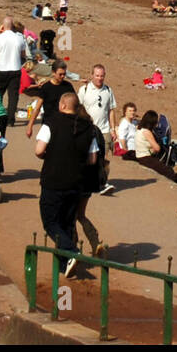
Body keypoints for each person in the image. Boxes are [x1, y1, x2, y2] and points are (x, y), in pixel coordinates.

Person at [35, 93, 100, 275]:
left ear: (63, 105)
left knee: (50, 222)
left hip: (53, 180)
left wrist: (53, 155)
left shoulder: (52, 122)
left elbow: (39, 150)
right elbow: (93, 159)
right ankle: (66, 265)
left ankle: (72, 252)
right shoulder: (89, 127)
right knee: (67, 223)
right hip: (76, 182)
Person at [74, 99, 107, 256]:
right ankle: (95, 242)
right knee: (81, 214)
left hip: (78, 177)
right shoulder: (95, 130)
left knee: (71, 214)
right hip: (92, 179)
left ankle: (71, 248)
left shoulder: (78, 130)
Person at [77, 64, 117, 195]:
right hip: (88, 129)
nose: (100, 78)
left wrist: (113, 128)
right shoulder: (84, 90)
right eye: (97, 75)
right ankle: (84, 181)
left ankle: (103, 183)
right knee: (87, 156)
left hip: (104, 129)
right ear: (92, 75)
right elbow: (78, 109)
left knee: (103, 158)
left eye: (102, 76)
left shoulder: (108, 91)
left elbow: (111, 110)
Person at [0, 16, 28, 133]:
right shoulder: (19, 38)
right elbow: (23, 54)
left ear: (3, 26)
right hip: (15, 69)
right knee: (13, 96)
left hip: (1, 69)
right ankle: (11, 119)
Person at [25, 59, 77, 139]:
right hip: (49, 124)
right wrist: (30, 126)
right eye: (60, 74)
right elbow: (37, 108)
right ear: (53, 72)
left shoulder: (68, 86)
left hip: (65, 124)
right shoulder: (46, 87)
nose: (63, 76)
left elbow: (76, 105)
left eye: (64, 74)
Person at [133, 110, 177, 182]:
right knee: (168, 170)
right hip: (146, 158)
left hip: (139, 155)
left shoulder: (139, 129)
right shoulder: (147, 132)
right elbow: (157, 148)